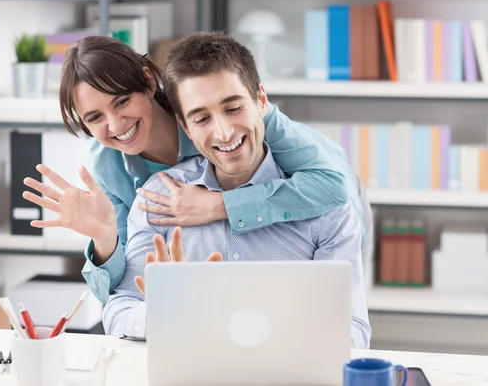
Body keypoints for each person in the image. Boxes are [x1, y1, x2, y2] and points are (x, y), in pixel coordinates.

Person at [21, 35, 367, 305]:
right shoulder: (107, 164)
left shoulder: (233, 116)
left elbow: (332, 191)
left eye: (123, 101)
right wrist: (104, 239)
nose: (115, 125)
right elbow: (123, 286)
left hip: (322, 212)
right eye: (95, 118)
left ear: (148, 81)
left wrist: (219, 206)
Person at [102, 31, 371, 348]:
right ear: (185, 126)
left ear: (260, 99)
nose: (224, 132)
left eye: (233, 108)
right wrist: (162, 314)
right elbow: (119, 310)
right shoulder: (159, 198)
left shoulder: (326, 205)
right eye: (201, 118)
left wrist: (288, 332)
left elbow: (352, 331)